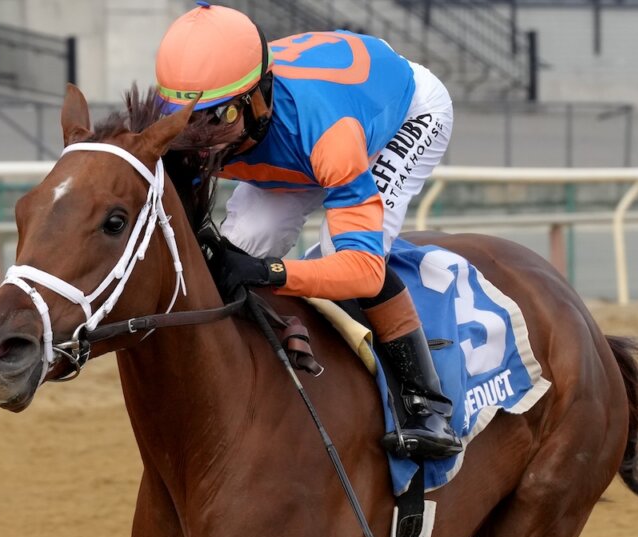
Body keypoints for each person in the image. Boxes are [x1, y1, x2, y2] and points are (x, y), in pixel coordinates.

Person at [156, 2, 461, 459]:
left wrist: (271, 271)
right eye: (189, 121)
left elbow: (362, 270)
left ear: (258, 96)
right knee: (238, 249)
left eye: (217, 120)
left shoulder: (329, 136)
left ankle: (428, 405)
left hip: (399, 116)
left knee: (336, 255)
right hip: (296, 145)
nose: (203, 142)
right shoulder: (208, 124)